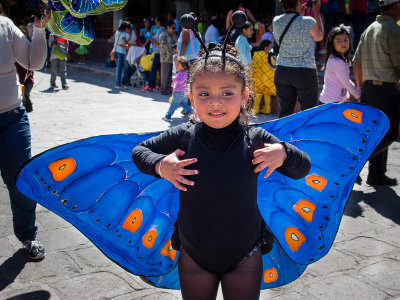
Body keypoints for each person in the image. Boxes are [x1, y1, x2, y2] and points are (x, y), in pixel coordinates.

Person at [132, 43, 311, 299]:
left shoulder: (257, 138)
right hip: (194, 255)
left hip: (245, 254)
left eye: (227, 93)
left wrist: (283, 152)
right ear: (191, 98)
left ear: (245, 95)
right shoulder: (184, 136)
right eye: (204, 94)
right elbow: (139, 152)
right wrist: (162, 166)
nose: (215, 102)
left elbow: (302, 168)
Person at [0, 6, 50, 260]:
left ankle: (28, 235)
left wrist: (39, 30)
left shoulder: (4, 25)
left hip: (11, 119)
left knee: (20, 180)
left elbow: (34, 62)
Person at [352, 0, 400, 186]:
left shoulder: (370, 28)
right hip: (386, 89)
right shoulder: (393, 30)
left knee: (377, 132)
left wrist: (361, 85)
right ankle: (356, 164)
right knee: (388, 133)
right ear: (395, 7)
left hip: (369, 89)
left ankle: (376, 174)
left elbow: (356, 62)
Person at [273, 0, 324, 118]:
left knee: (285, 112)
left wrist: (298, 13)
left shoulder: (276, 21)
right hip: (304, 71)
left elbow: (291, 28)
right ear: (298, 4)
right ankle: (307, 135)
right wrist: (316, 12)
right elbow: (319, 36)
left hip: (282, 70)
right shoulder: (308, 21)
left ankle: (283, 136)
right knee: (309, 111)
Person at [319, 25, 360, 104]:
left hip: (332, 101)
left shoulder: (339, 59)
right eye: (338, 41)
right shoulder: (336, 61)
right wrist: (359, 95)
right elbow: (346, 82)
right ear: (332, 44)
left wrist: (346, 94)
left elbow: (343, 80)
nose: (343, 43)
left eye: (345, 40)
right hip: (331, 102)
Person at [162, 56, 192, 121]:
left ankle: (168, 116)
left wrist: (174, 78)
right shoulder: (185, 73)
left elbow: (179, 80)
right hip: (183, 93)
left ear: (184, 66)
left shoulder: (182, 73)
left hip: (179, 93)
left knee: (173, 105)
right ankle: (193, 113)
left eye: (178, 65)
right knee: (185, 105)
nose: (176, 66)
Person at [251, 39, 276, 114]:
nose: (271, 48)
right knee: (266, 93)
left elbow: (253, 65)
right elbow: (274, 66)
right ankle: (267, 109)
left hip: (258, 77)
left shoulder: (257, 54)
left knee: (258, 93)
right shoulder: (271, 56)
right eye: (270, 46)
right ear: (266, 47)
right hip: (267, 79)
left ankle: (255, 109)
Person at [142, 16, 165, 92]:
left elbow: (159, 43)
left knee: (154, 69)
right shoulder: (160, 30)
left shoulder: (161, 30)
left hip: (158, 52)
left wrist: (151, 38)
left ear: (158, 22)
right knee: (158, 69)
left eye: (156, 21)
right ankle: (158, 85)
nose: (155, 22)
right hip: (158, 52)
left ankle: (150, 85)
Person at [159, 21, 178, 95]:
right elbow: (164, 45)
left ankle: (170, 89)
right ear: (168, 27)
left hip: (173, 59)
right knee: (165, 75)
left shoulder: (174, 36)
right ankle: (163, 89)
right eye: (173, 28)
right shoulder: (163, 35)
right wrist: (173, 47)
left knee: (171, 75)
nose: (174, 30)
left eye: (175, 28)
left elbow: (177, 45)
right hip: (165, 58)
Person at [113, 21, 131, 89]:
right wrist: (129, 47)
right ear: (126, 28)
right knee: (120, 69)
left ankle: (117, 84)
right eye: (128, 29)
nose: (129, 30)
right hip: (121, 52)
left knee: (118, 68)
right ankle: (118, 85)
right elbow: (124, 44)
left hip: (116, 51)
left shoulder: (117, 32)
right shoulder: (123, 34)